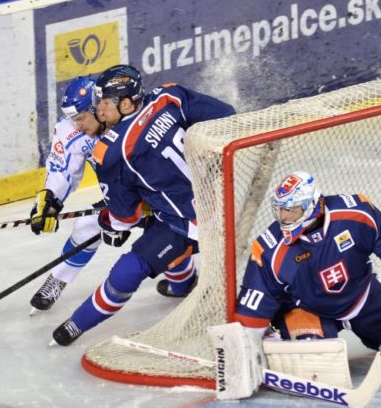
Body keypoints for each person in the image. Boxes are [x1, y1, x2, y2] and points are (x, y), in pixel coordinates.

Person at [50, 64, 236, 346]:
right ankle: (183, 284)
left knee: (130, 269)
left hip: (189, 225)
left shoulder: (110, 151)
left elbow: (125, 219)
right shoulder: (169, 95)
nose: (99, 109)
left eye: (104, 103)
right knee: (159, 229)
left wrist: (109, 221)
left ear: (125, 103)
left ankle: (75, 325)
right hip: (232, 199)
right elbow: (227, 118)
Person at [234, 170, 381, 352]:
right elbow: (253, 306)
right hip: (308, 310)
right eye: (280, 210)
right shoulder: (268, 249)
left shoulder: (355, 211)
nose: (284, 218)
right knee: (314, 357)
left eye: (292, 210)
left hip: (362, 295)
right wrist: (247, 345)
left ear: (313, 205)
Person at [28, 76, 108, 312]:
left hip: (158, 190)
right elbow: (62, 171)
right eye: (74, 120)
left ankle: (182, 280)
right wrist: (50, 201)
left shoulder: (128, 115)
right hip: (120, 195)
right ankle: (58, 280)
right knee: (87, 225)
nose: (78, 126)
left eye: (81, 118)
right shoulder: (72, 130)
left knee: (169, 233)